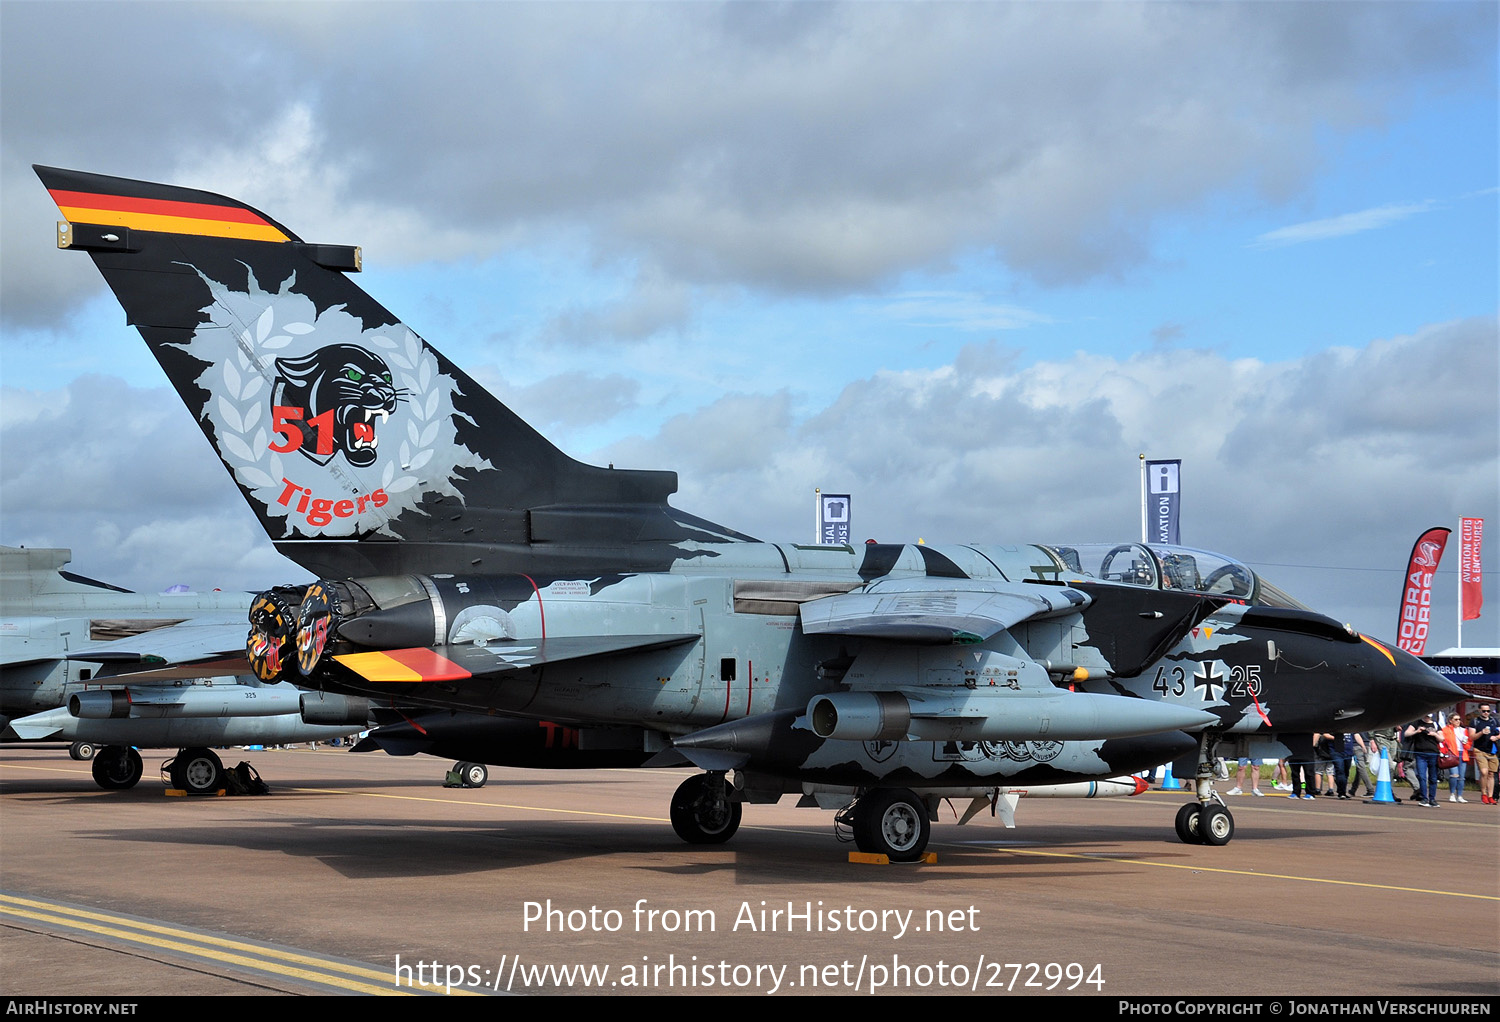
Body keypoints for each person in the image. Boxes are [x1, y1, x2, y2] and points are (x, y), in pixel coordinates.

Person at [1403, 714, 1442, 807]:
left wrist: (1435, 734)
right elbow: (1406, 733)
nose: (1427, 717)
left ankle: (1432, 799)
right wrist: (1417, 731)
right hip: (1420, 753)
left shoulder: (1436, 725)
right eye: (1426, 716)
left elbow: (1442, 738)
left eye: (1428, 716)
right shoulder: (1416, 723)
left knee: (1433, 777)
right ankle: (1424, 798)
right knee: (1422, 776)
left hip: (1433, 753)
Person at [1470, 705, 1499, 805]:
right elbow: (1472, 737)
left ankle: (1490, 796)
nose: (1486, 713)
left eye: (1488, 711)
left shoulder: (1494, 721)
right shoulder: (1475, 721)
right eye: (1484, 711)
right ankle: (1483, 794)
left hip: (1492, 750)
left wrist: (1496, 737)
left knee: (1491, 774)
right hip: (1479, 750)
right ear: (1479, 711)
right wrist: (1482, 732)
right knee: (1484, 772)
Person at [1441, 713, 1471, 803]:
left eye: (1459, 719)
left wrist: (1465, 742)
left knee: (1461, 777)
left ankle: (1460, 795)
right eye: (1456, 719)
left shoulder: (1464, 730)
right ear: (1450, 720)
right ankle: (1452, 794)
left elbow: (1469, 745)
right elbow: (1442, 742)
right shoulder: (1445, 730)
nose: (1458, 721)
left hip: (1463, 753)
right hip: (1452, 754)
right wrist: (1444, 752)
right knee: (1454, 775)